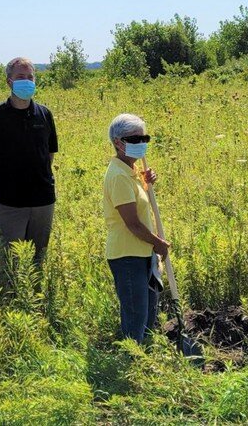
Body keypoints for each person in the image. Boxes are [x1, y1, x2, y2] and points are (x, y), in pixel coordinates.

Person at [0, 57, 58, 271]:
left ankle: (35, 302)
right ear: (9, 81)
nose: (27, 81)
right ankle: (8, 302)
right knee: (9, 264)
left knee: (38, 261)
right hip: (8, 203)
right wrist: (0, 184)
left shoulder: (44, 114)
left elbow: (49, 154)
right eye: (20, 77)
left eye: (30, 77)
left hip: (42, 201)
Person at [103, 113, 169, 343]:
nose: (141, 144)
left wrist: (145, 184)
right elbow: (132, 223)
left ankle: (146, 359)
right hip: (127, 255)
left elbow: (139, 204)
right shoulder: (119, 176)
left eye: (144, 138)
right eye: (134, 140)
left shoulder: (130, 173)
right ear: (118, 143)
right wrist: (158, 243)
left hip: (142, 253)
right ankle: (132, 367)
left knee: (149, 312)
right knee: (136, 316)